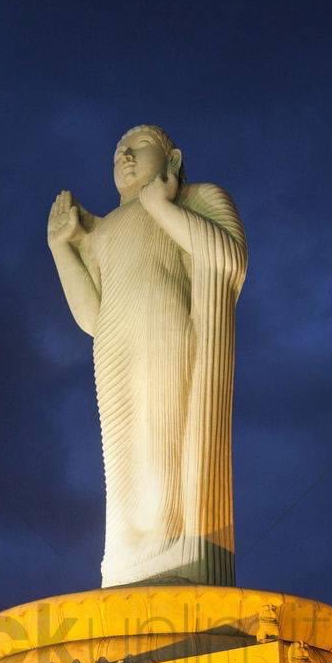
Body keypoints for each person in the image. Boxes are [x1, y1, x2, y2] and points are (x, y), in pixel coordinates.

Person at [48, 125, 247, 588]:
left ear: (171, 158)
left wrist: (160, 205)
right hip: (114, 341)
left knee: (164, 444)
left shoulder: (196, 197)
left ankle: (172, 556)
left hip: (166, 330)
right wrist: (63, 249)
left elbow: (228, 261)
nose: (125, 158)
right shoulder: (103, 228)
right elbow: (91, 315)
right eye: (118, 152)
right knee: (122, 462)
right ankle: (127, 563)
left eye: (137, 148)